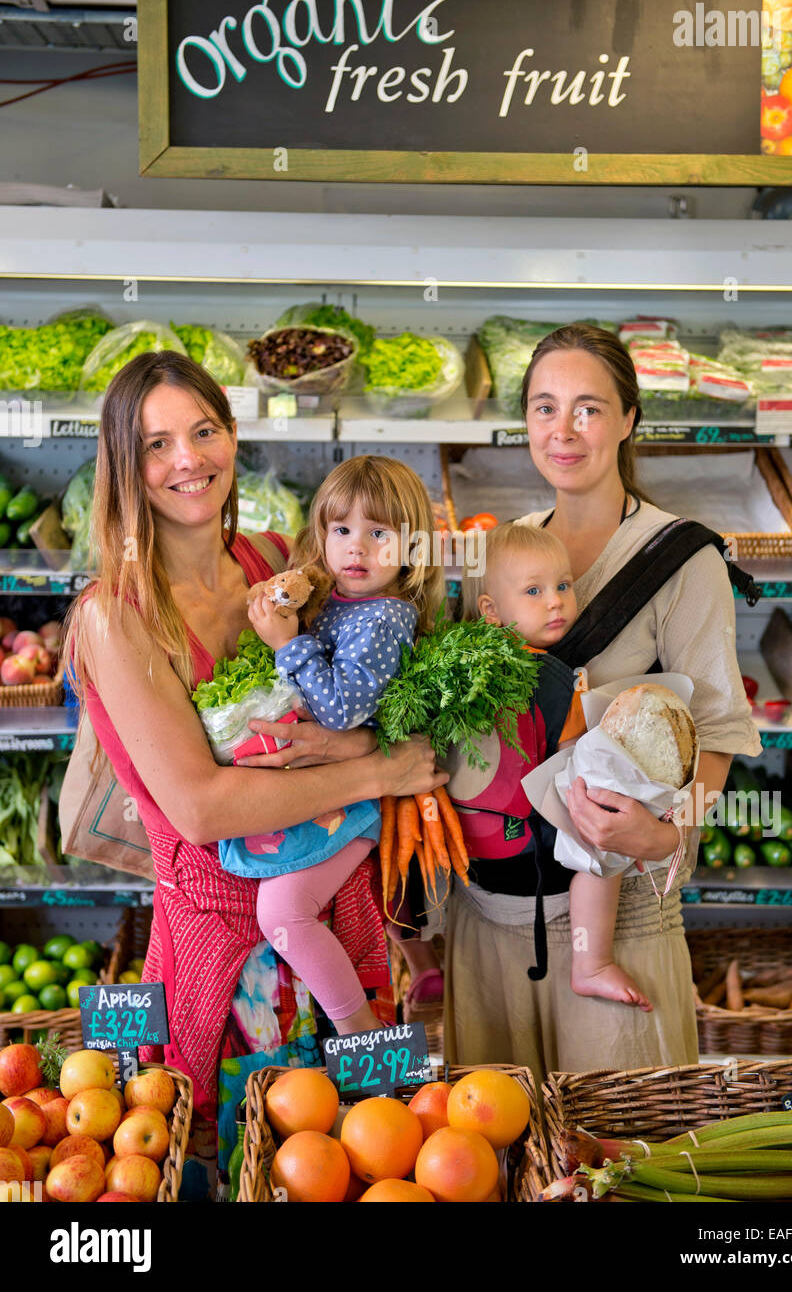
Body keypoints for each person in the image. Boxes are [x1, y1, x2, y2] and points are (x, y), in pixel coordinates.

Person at [62, 353, 447, 1135]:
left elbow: (369, 694)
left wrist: (372, 750)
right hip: (227, 955)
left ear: (233, 436)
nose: (187, 460)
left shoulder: (275, 562)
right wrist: (379, 772)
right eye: (156, 444)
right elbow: (203, 810)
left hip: (336, 917)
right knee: (250, 1157)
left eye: (204, 431)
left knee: (385, 1155)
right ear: (124, 467)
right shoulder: (117, 616)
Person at [444, 323, 761, 1078]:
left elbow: (714, 736)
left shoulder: (681, 559)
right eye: (544, 407)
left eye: (587, 408)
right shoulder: (502, 551)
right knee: (489, 1168)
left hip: (619, 920)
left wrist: (669, 836)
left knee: (618, 1163)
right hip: (487, 919)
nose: (563, 430)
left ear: (627, 420)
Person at [221, 455, 444, 1038]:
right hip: (323, 794)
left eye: (378, 534)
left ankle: (360, 1033)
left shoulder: (385, 616)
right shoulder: (337, 603)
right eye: (341, 530)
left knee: (282, 913)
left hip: (350, 805)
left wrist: (286, 643)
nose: (356, 549)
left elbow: (339, 709)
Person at [446, 521, 585, 982]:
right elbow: (579, 779)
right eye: (534, 590)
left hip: (475, 873)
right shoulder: (562, 682)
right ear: (490, 608)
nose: (555, 600)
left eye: (564, 585)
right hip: (548, 886)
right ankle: (596, 959)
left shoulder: (454, 673)